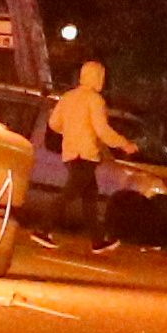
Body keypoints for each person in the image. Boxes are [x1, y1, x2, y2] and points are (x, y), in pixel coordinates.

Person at [31, 60, 127, 252]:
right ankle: (42, 229)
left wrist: (71, 129)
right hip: (86, 154)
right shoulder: (94, 100)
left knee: (90, 198)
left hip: (70, 152)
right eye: (101, 76)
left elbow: (54, 123)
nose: (102, 81)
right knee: (69, 194)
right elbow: (102, 130)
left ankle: (98, 241)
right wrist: (124, 143)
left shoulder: (68, 97)